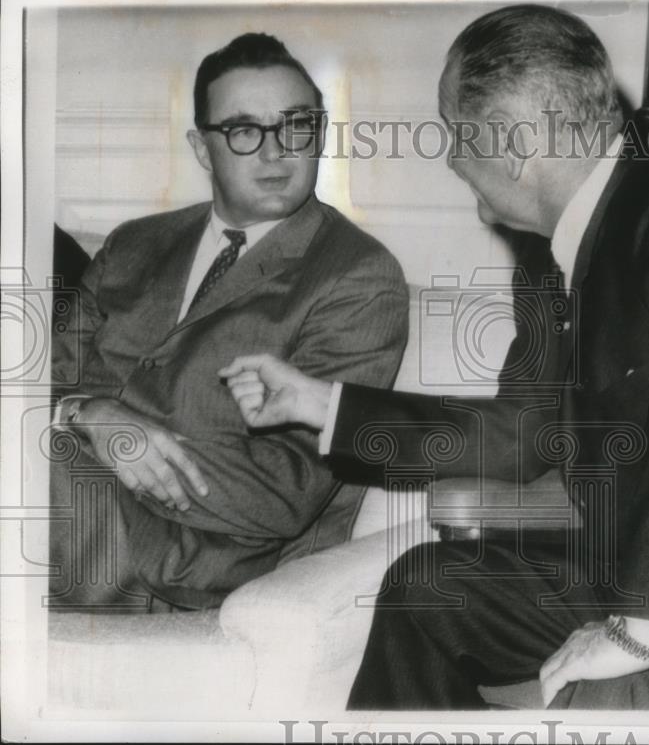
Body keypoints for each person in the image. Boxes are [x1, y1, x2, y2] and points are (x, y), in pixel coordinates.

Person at [221, 5, 649, 709]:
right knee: (426, 589)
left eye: (453, 134)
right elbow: (519, 435)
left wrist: (637, 629)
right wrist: (325, 404)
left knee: (609, 693)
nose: (447, 160)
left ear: (507, 145)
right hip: (619, 572)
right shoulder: (550, 252)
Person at [48, 32, 409, 611]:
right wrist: (88, 414)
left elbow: (288, 488)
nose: (276, 152)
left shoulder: (359, 276)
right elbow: (38, 380)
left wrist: (121, 448)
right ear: (200, 147)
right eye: (244, 130)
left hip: (194, 563)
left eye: (296, 125)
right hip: (66, 516)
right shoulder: (135, 245)